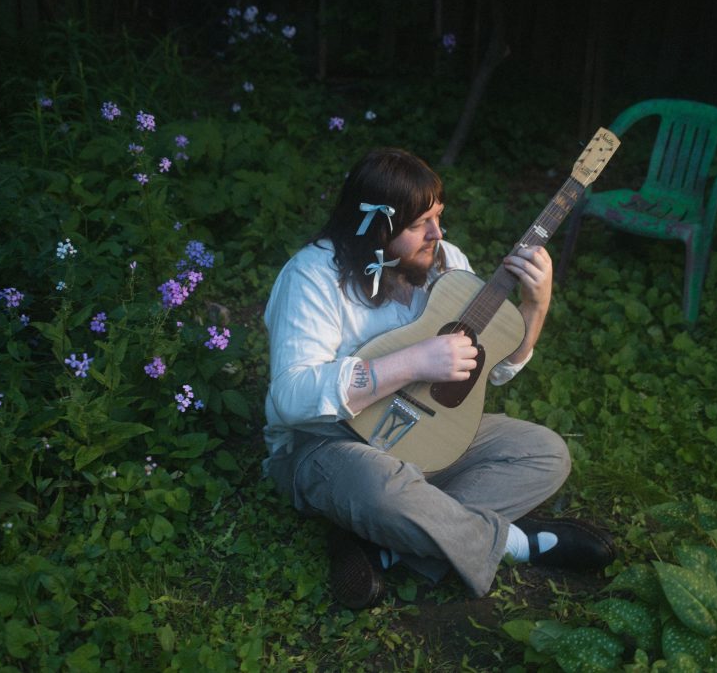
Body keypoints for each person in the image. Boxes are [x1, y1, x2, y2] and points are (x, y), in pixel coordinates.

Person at [262, 147, 615, 608]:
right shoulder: (312, 277)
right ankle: (516, 542)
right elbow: (290, 397)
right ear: (372, 226)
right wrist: (412, 362)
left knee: (544, 453)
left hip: (427, 435)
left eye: (438, 216)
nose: (437, 234)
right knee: (379, 488)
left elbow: (495, 367)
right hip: (329, 443)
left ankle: (382, 541)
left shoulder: (447, 263)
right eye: (419, 225)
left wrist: (535, 305)